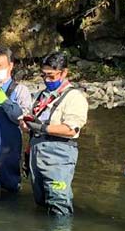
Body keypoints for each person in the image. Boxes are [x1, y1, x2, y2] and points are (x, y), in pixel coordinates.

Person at [24, 52, 88, 216]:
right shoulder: (40, 96)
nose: (47, 80)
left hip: (59, 155)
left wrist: (42, 128)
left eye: (51, 76)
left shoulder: (74, 97)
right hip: (36, 152)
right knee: (40, 201)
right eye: (44, 75)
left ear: (64, 73)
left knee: (59, 202)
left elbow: (71, 129)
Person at [0, 47, 32, 192]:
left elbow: (23, 118)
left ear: (10, 66)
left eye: (0, 65)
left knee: (9, 184)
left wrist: (6, 102)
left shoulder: (20, 90)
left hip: (9, 145)